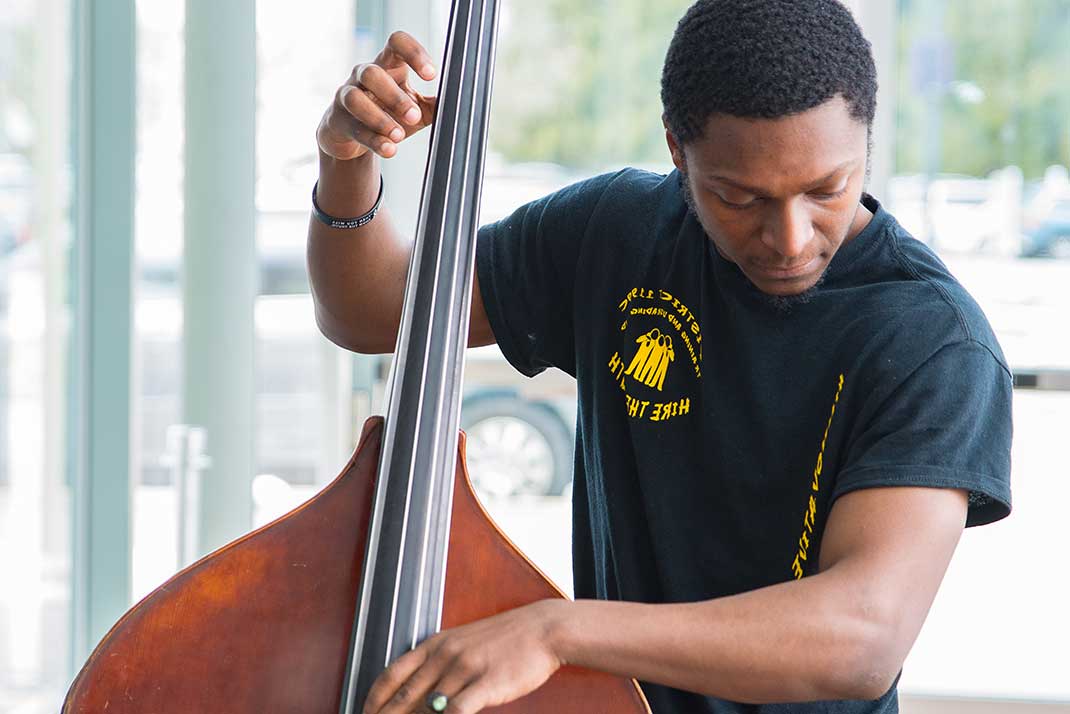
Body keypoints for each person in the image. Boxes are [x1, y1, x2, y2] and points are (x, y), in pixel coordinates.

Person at [308, 1, 1013, 712]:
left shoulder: (932, 340)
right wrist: (347, 162)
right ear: (678, 150)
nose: (791, 238)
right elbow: (371, 314)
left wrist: (557, 631)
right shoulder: (617, 232)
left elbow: (862, 640)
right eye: (741, 198)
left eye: (826, 189)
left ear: (866, 141)